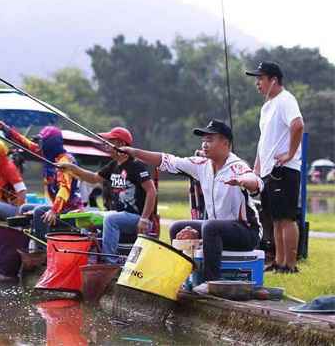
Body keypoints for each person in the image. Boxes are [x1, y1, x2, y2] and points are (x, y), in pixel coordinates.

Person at [120, 119, 263, 291]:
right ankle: (182, 277)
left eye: (210, 140)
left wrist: (242, 181)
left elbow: (256, 181)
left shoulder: (237, 166)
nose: (204, 144)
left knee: (210, 227)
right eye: (203, 140)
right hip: (219, 230)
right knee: (177, 227)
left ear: (226, 143)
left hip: (247, 232)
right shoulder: (201, 165)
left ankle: (212, 283)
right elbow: (167, 160)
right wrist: (134, 152)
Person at [58, 127, 157, 262]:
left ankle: (109, 262)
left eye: (110, 141)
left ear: (121, 144)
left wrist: (144, 219)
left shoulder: (136, 166)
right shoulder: (113, 165)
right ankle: (89, 261)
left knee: (111, 219)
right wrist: (72, 168)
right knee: (88, 220)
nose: (105, 144)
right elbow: (93, 178)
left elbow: (151, 191)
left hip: (137, 218)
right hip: (118, 214)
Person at [246, 61, 305, 273]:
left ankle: (290, 265)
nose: (257, 83)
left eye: (260, 79)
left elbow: (297, 125)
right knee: (275, 219)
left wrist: (290, 153)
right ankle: (279, 261)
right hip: (268, 170)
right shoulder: (266, 107)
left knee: (286, 218)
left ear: (274, 80)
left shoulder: (285, 100)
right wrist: (257, 167)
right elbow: (265, 141)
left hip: (285, 169)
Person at [0, 121, 81, 242]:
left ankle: (42, 247)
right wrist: (6, 129)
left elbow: (65, 188)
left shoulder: (65, 161)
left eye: (41, 141)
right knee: (24, 208)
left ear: (50, 143)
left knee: (38, 211)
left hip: (70, 210)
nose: (38, 145)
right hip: (57, 208)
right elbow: (26, 144)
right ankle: (24, 244)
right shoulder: (47, 154)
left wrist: (54, 210)